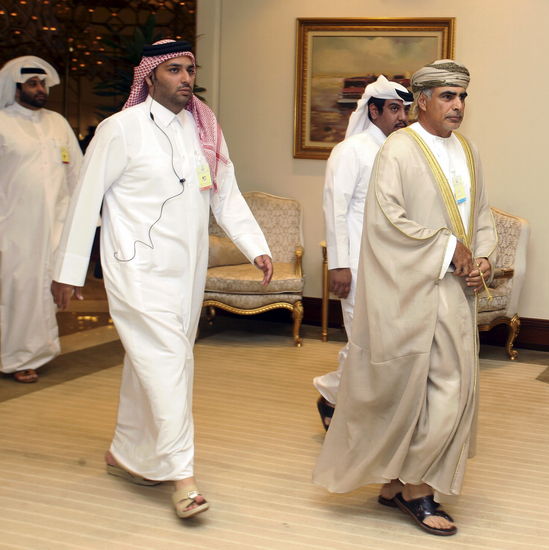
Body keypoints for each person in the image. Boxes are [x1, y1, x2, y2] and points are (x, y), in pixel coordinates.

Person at [50, 40, 273, 519]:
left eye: (190, 69)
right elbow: (85, 200)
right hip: (135, 269)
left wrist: (257, 246)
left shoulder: (204, 129)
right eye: (174, 70)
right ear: (150, 77)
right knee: (169, 361)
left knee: (150, 360)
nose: (185, 78)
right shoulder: (119, 129)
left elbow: (225, 194)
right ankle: (182, 477)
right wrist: (66, 272)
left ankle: (128, 452)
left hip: (185, 271)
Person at [313, 59, 497, 537]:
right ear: (422, 101)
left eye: (462, 97)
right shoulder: (398, 149)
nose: (457, 106)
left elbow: (479, 216)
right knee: (414, 388)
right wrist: (445, 248)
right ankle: (416, 489)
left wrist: (482, 258)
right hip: (408, 291)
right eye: (447, 97)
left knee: (447, 390)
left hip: (454, 290)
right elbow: (386, 219)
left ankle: (399, 483)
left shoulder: (468, 151)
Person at [314, 75, 412, 430]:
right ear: (373, 110)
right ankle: (335, 399)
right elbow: (335, 208)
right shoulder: (351, 151)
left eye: (405, 110)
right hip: (356, 265)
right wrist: (338, 264)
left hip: (391, 267)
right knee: (365, 344)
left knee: (379, 345)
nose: (402, 117)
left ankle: (332, 397)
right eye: (394, 109)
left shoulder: (400, 150)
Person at [0, 56, 83, 383]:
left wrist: (84, 221)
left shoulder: (57, 123)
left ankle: (32, 353)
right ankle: (20, 357)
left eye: (43, 84)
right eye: (32, 84)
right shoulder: (3, 122)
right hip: (14, 225)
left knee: (47, 290)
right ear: (16, 87)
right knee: (20, 289)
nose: (40, 90)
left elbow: (76, 171)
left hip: (57, 223)